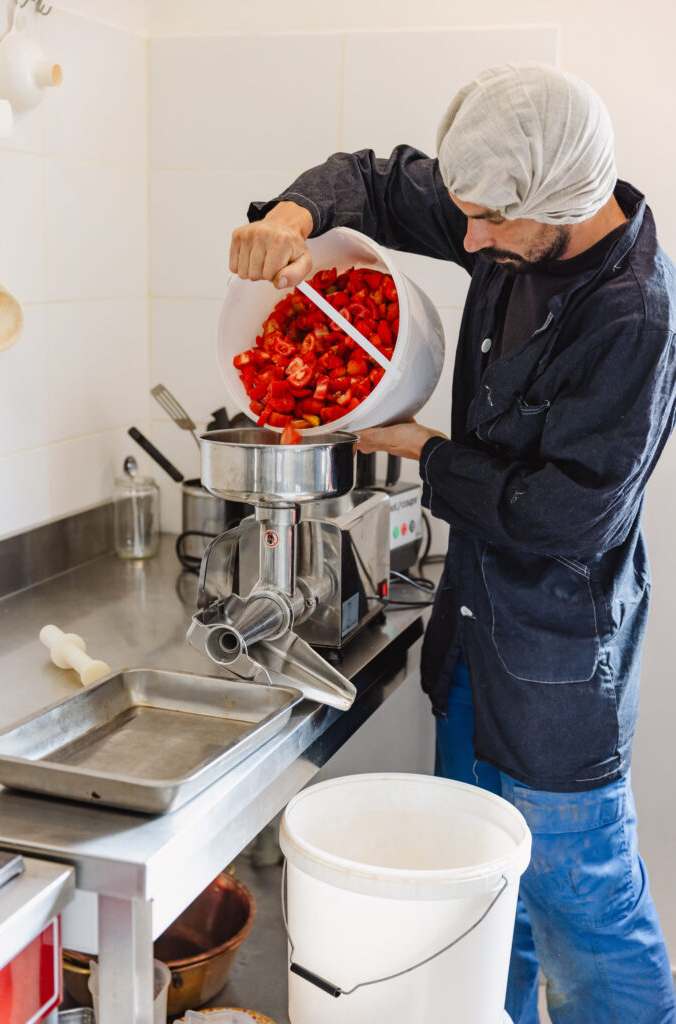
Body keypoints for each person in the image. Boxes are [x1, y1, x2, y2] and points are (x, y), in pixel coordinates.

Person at [229, 62, 676, 1024]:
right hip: (472, 640)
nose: (467, 242)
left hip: (557, 671)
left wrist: (427, 452)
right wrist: (296, 219)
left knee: (584, 914)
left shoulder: (631, 311)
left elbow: (571, 518)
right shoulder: (512, 213)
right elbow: (380, 181)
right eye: (464, 215)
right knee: (479, 902)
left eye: (488, 226)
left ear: (566, 200)